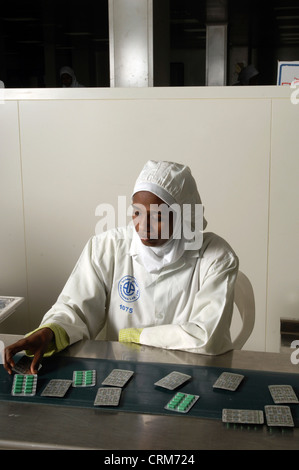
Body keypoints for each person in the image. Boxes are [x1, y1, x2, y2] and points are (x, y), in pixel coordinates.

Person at [4, 160, 239, 375]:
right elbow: (76, 309)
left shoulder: (216, 256)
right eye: (137, 212)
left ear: (182, 215)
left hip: (189, 377)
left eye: (157, 216)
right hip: (123, 373)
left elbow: (208, 335)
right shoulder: (107, 247)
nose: (143, 225)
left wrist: (136, 336)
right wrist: (50, 331)